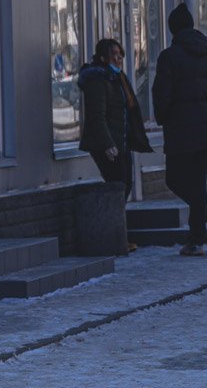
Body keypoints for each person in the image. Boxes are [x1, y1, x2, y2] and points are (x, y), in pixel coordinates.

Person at [152, 3, 207, 256]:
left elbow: (161, 95)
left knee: (176, 180)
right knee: (195, 182)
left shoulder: (170, 56)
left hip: (181, 130)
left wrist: (163, 118)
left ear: (172, 29)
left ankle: (200, 237)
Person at [78, 38, 153, 253]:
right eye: (114, 55)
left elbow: (129, 110)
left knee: (124, 185)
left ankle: (118, 234)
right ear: (103, 57)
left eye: (120, 54)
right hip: (107, 144)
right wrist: (108, 144)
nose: (118, 58)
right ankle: (116, 237)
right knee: (117, 186)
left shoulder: (118, 78)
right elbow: (97, 116)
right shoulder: (98, 80)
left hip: (122, 141)